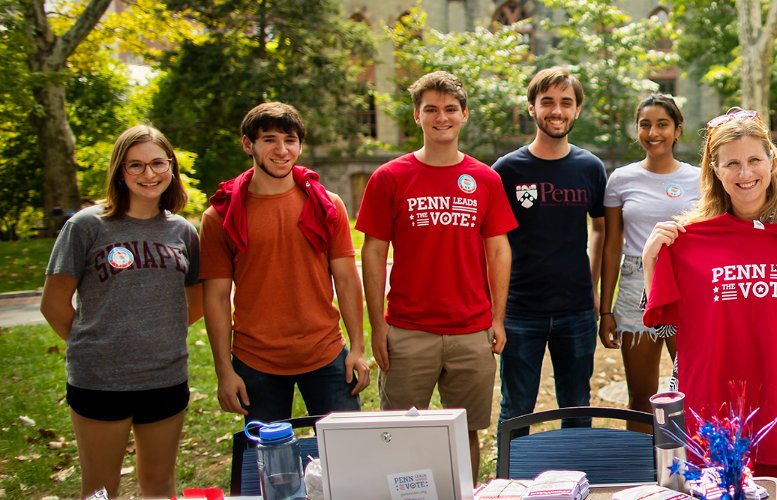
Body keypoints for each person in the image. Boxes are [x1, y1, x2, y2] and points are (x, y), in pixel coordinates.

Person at [642, 108, 777, 499]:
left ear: (772, 161)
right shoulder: (687, 237)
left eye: (755, 160)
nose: (745, 174)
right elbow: (664, 326)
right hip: (712, 416)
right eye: (733, 164)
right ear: (715, 170)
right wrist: (650, 263)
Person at [356, 71, 517, 478]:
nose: (441, 117)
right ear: (417, 116)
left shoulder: (485, 179)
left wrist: (497, 318)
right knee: (398, 433)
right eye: (431, 109)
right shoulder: (389, 177)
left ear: (464, 115)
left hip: (471, 330)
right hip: (409, 330)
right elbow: (373, 253)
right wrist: (377, 326)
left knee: (466, 431)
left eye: (449, 109)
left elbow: (498, 250)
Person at [40, 125, 203, 498]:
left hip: (165, 376)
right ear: (119, 170)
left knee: (160, 485)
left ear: (171, 168)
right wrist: (93, 345)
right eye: (136, 165)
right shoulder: (86, 226)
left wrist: (159, 337)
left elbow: (194, 299)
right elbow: (53, 304)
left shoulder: (182, 232)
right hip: (99, 380)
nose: (149, 174)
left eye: (158, 163)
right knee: (100, 490)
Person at [202, 102, 367, 424]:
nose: (281, 150)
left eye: (290, 141)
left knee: (347, 456)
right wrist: (224, 371)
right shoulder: (220, 215)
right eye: (269, 140)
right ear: (248, 144)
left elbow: (347, 279)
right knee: (266, 463)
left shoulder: (326, 205)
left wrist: (358, 349)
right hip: (255, 360)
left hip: (326, 353)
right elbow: (216, 297)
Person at [492, 66, 607, 433]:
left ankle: (576, 482)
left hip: (576, 310)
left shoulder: (590, 167)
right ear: (531, 108)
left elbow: (600, 228)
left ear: (577, 111)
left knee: (576, 409)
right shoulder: (507, 170)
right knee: (516, 410)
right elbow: (491, 244)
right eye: (547, 102)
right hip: (520, 310)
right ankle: (510, 485)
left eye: (566, 103)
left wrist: (591, 287)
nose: (557, 111)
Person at [598, 94, 700, 433]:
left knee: (691, 388)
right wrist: (606, 310)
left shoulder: (699, 179)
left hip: (686, 286)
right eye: (645, 124)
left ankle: (688, 471)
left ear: (677, 130)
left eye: (662, 125)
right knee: (641, 396)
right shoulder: (621, 179)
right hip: (634, 286)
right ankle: (642, 476)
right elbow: (611, 246)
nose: (653, 132)